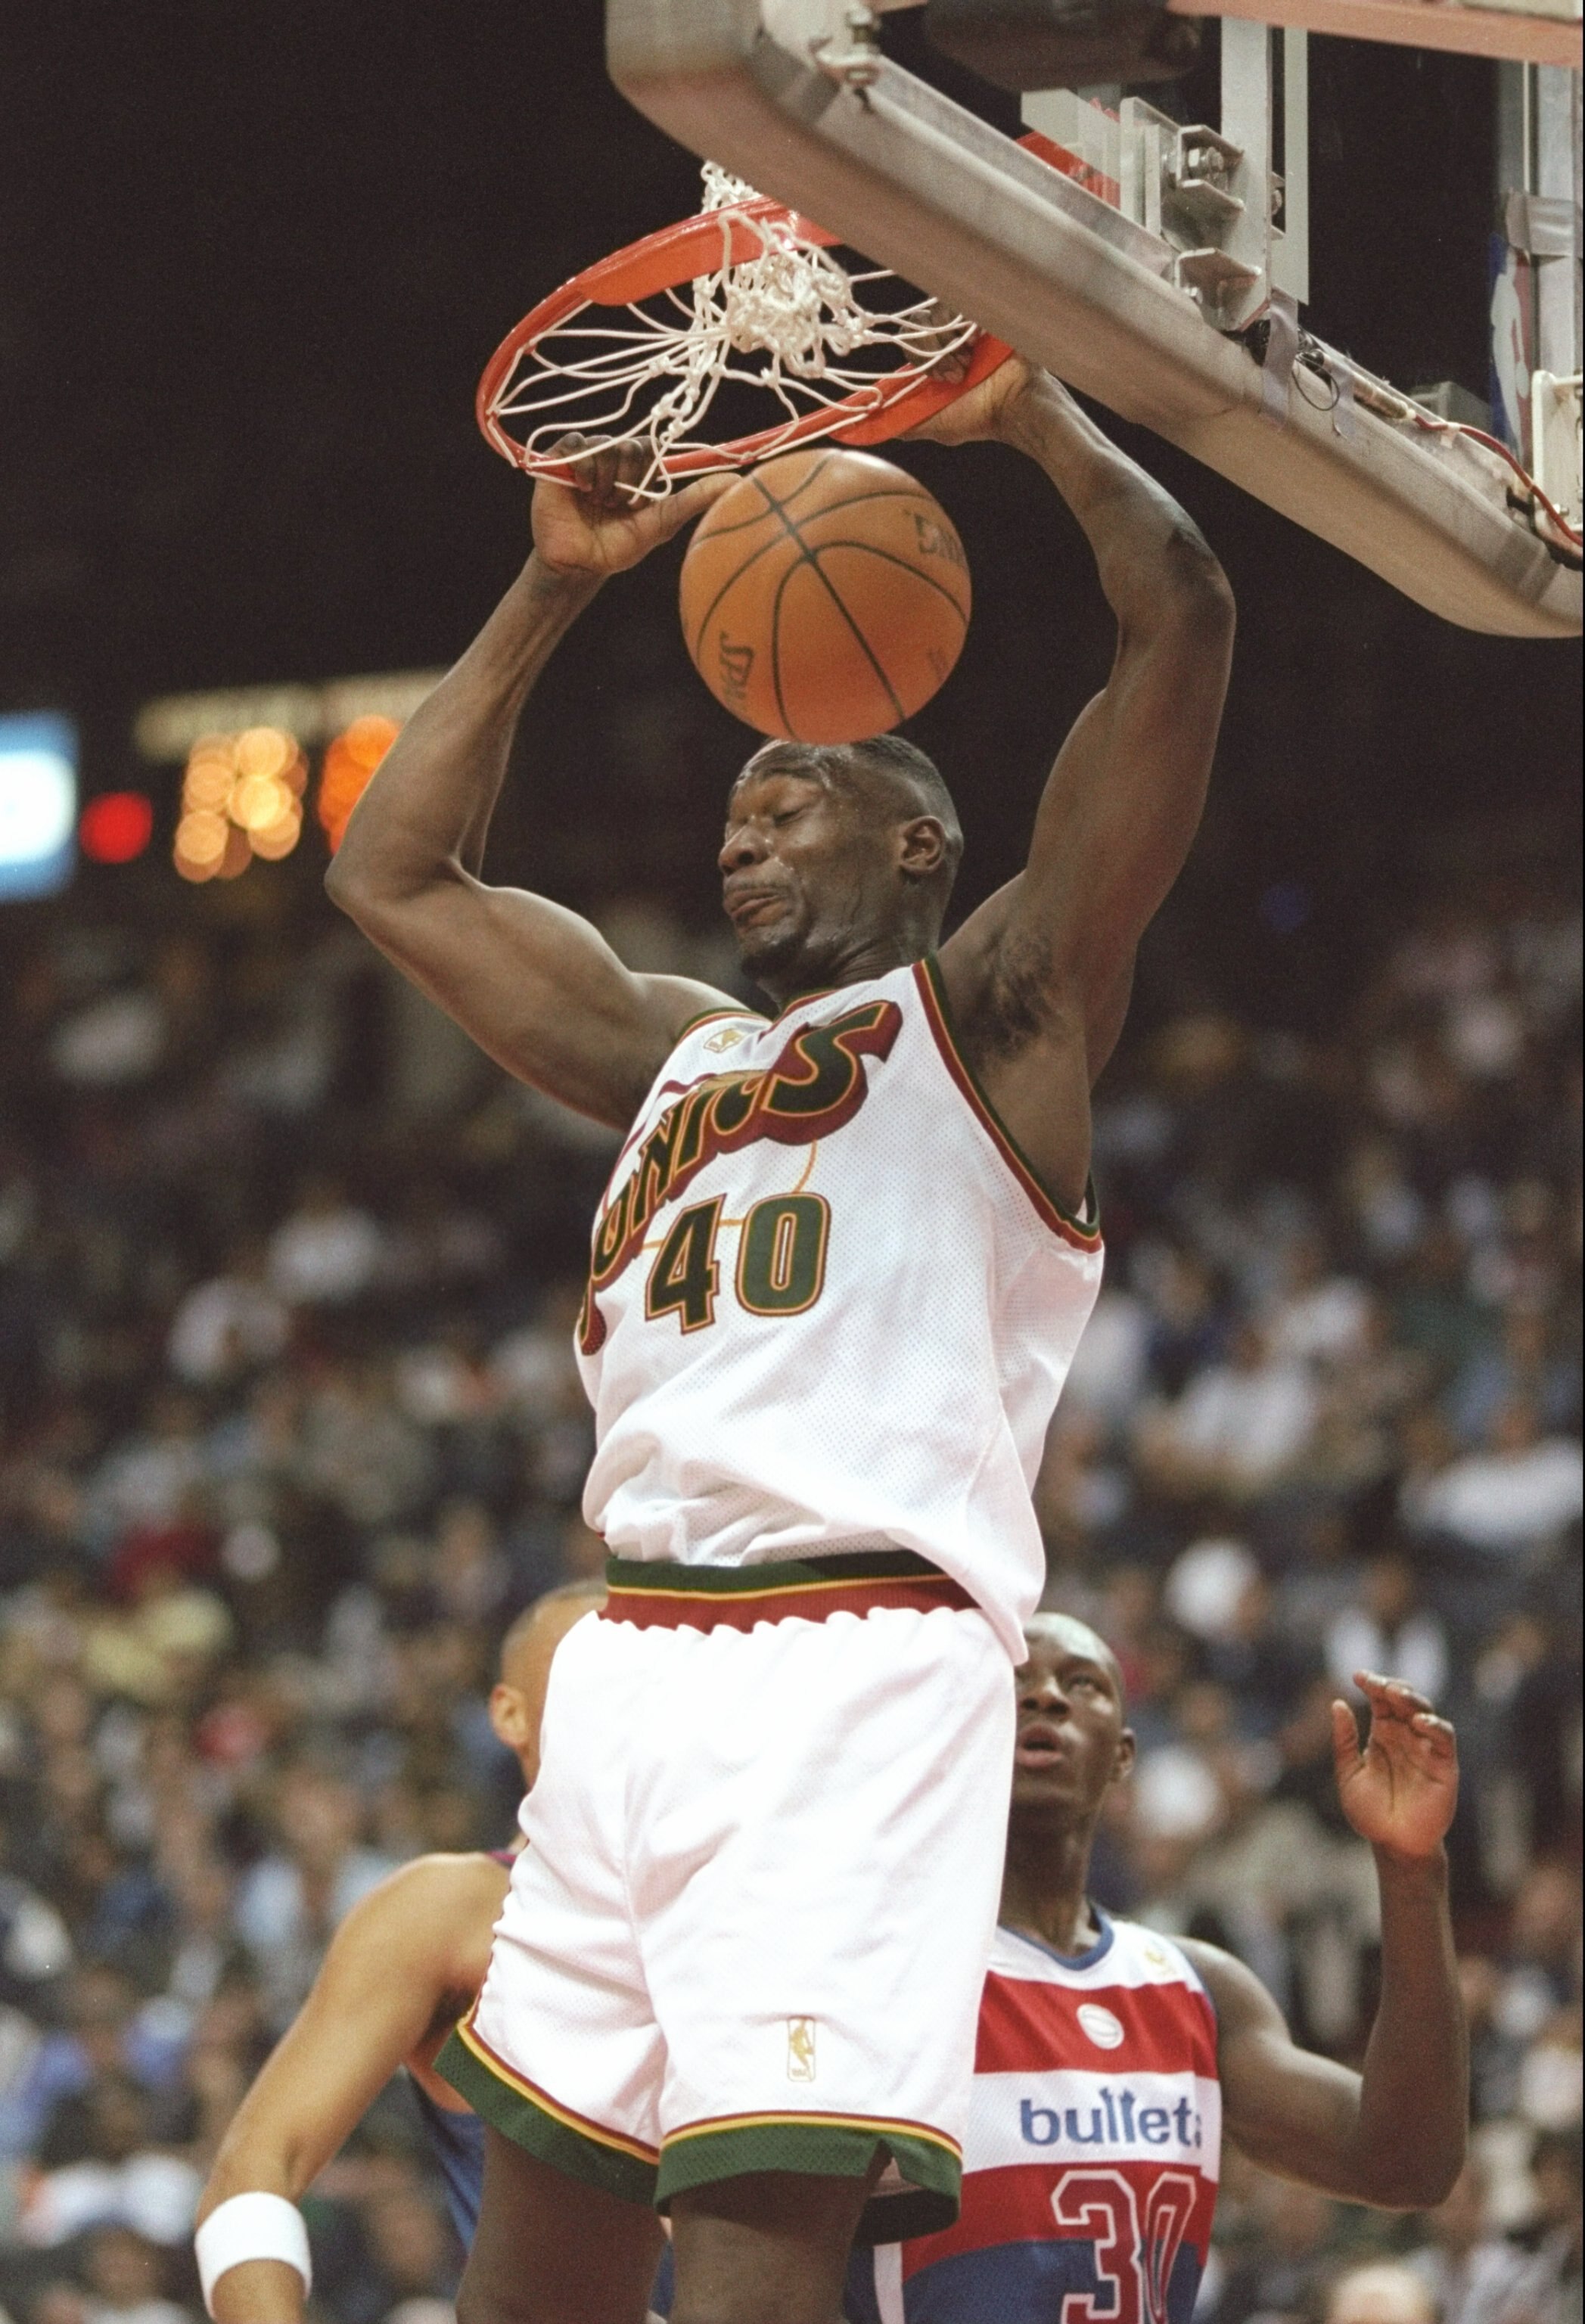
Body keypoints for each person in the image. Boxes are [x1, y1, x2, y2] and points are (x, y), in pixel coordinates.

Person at [324, 350, 1235, 2324]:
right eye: (734, 811)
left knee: (753, 2268)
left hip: (853, 1653)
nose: (740, 838)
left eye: (790, 798)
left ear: (918, 848)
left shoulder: (997, 1012)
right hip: (633, 1654)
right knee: (533, 2287)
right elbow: (388, 871)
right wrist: (556, 580)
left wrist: (1034, 417)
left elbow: (1181, 615)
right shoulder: (674, 1050)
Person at [847, 1613, 1467, 2320]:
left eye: (1081, 1683)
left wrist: (1411, 1865)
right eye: (1015, 1683)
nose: (1045, 1696)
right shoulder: (893, 1972)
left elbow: (1407, 2163)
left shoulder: (1199, 1990)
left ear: (1122, 1756)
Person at [191, 1582, 602, 2322]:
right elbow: (255, 2173)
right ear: (510, 1714)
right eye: (591, 1672)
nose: (625, 1703)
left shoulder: (752, 1897)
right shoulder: (446, 1914)